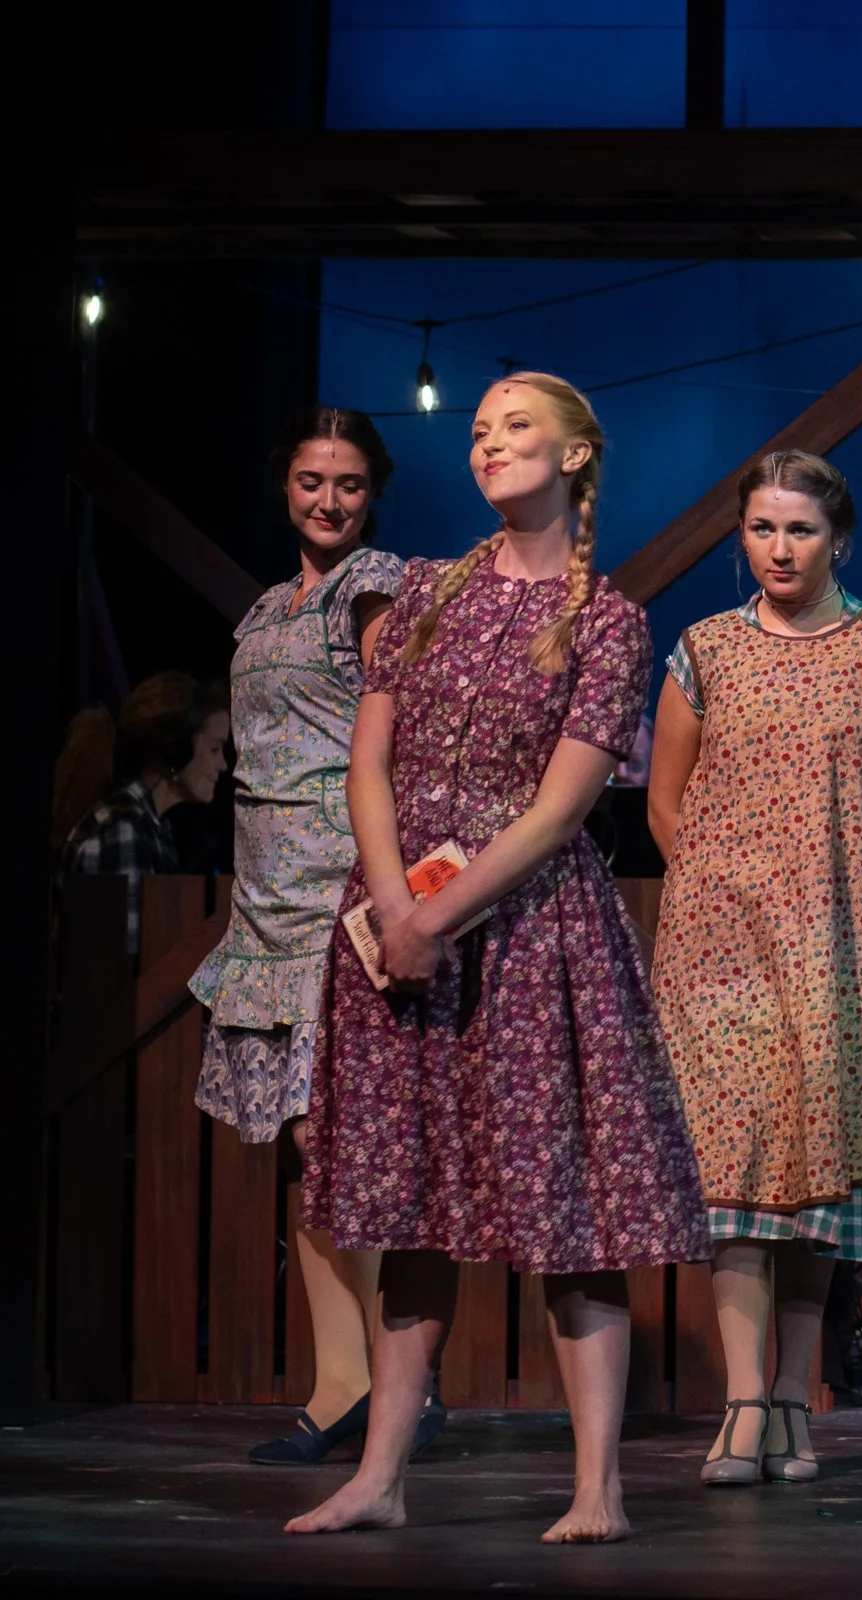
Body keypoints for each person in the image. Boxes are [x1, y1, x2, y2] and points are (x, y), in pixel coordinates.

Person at [288, 372, 707, 1544]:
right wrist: (392, 904)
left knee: (568, 1207)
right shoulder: (422, 592)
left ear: (576, 456)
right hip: (400, 924)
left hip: (532, 934)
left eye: (517, 426)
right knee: (415, 1205)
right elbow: (368, 762)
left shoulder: (607, 618)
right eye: (478, 430)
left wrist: (438, 916)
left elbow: (562, 809)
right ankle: (380, 1475)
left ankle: (598, 1488)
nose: (490, 443)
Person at [648, 450, 862, 1487]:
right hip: (723, 949)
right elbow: (666, 801)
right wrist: (720, 891)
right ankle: (743, 1403)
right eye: (763, 528)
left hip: (842, 946)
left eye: (802, 530)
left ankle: (792, 1394)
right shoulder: (703, 650)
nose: (780, 549)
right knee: (736, 1166)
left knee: (817, 1167)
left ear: (841, 540)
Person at [182, 408, 432, 1467]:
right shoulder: (265, 605)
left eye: (349, 483)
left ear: (373, 494)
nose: (328, 500)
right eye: (311, 481)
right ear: (284, 486)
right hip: (267, 901)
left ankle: (367, 1389)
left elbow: (403, 727)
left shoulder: (369, 587)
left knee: (332, 1145)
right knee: (306, 1147)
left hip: (337, 893)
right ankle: (357, 1383)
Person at [57, 671, 230, 881]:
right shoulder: (123, 832)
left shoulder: (153, 831)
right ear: (176, 749)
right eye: (215, 749)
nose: (223, 765)